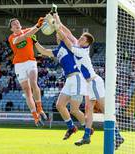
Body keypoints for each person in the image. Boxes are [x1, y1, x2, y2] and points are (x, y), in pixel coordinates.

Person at [53, 14, 124, 148]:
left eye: (82, 38)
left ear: (86, 43)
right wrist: (57, 18)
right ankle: (86, 137)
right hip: (88, 84)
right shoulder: (79, 45)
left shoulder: (81, 51)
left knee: (105, 109)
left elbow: (66, 40)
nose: (79, 38)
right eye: (80, 37)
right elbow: (67, 33)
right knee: (88, 110)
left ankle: (118, 135)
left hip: (94, 82)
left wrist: (56, 28)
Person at [34, 32, 88, 140]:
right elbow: (43, 51)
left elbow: (63, 35)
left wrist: (56, 25)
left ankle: (88, 129)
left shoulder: (67, 44)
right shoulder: (58, 50)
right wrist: (35, 42)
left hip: (77, 78)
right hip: (69, 80)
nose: (57, 35)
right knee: (59, 105)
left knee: (74, 110)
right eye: (56, 34)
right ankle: (71, 127)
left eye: (58, 34)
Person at [8, 17, 47, 126]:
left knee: (34, 82)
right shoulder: (12, 38)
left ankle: (40, 109)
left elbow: (35, 29)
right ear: (11, 29)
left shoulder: (27, 31)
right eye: (14, 24)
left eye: (18, 23)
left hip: (30, 62)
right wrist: (37, 26)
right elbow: (24, 37)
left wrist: (43, 21)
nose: (17, 24)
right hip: (19, 65)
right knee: (27, 91)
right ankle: (35, 116)